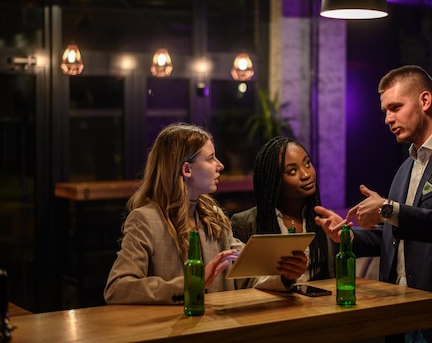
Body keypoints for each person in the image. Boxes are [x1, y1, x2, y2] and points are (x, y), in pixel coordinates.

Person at [315, 65, 432, 343]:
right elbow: (395, 237)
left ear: (425, 101)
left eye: (395, 107)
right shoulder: (406, 167)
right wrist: (347, 236)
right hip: (401, 312)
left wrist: (386, 209)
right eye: (384, 111)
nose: (387, 119)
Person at [104, 123, 308, 304]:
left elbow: (249, 274)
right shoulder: (146, 220)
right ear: (187, 169)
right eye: (211, 158)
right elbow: (117, 288)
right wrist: (189, 283)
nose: (220, 165)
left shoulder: (213, 216)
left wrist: (285, 275)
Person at [231, 136, 335, 289]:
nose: (306, 174)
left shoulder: (324, 220)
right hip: (271, 309)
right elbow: (242, 283)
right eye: (292, 171)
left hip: (320, 307)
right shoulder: (245, 223)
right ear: (273, 181)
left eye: (307, 163)